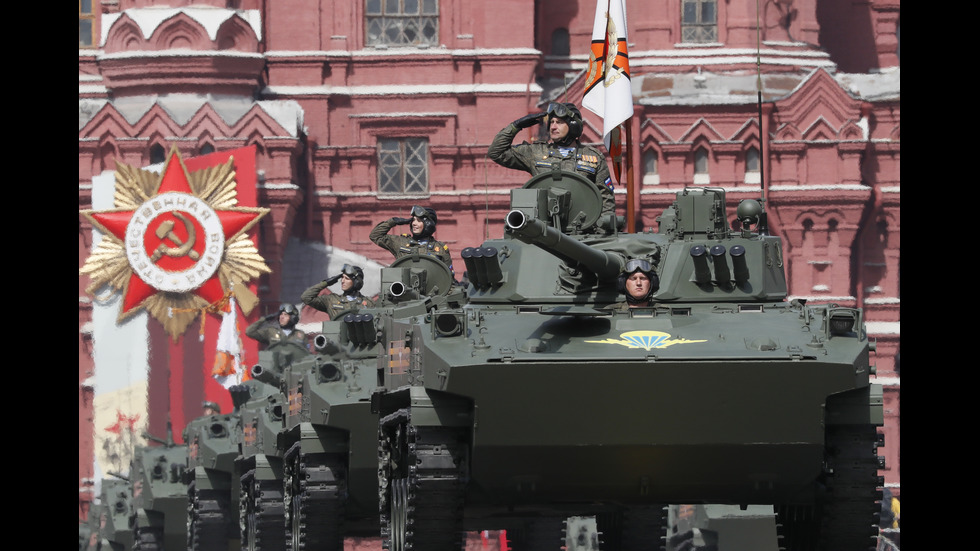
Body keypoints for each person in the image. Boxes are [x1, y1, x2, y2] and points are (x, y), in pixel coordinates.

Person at [488, 101, 615, 218]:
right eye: (552, 122)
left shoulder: (593, 158)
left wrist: (603, 227)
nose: (553, 127)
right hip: (543, 228)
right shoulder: (536, 152)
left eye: (559, 122)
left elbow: (606, 198)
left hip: (583, 228)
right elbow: (496, 152)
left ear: (573, 125)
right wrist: (515, 126)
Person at [369, 205, 455, 275]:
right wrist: (392, 222)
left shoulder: (440, 248)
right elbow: (375, 235)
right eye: (413, 220)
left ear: (428, 224)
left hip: (432, 293)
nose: (414, 223)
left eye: (418, 221)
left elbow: (449, 277)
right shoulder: (401, 242)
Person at [301, 263, 377, 320]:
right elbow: (306, 297)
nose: (342, 281)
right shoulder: (331, 300)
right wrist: (326, 283)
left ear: (356, 283)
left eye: (346, 278)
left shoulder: (368, 303)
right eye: (342, 278)